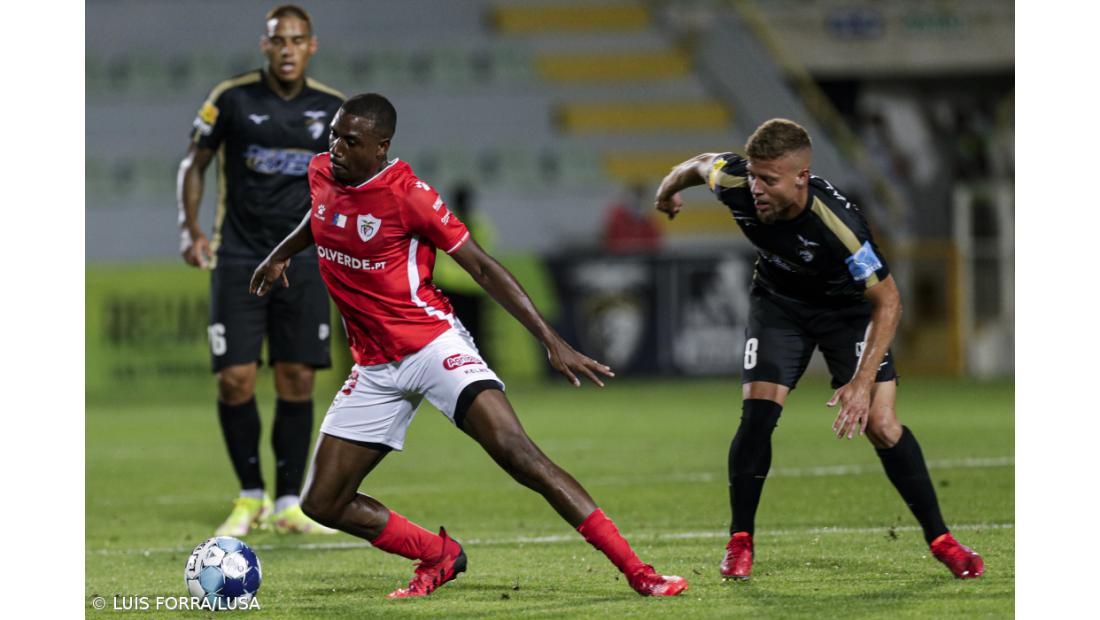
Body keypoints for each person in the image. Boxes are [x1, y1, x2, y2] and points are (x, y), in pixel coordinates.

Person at [249, 93, 688, 599]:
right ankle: (438, 555)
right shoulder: (323, 171)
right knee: (322, 502)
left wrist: (551, 339)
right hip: (374, 366)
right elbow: (323, 215)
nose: (337, 147)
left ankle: (639, 571)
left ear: (381, 147)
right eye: (333, 135)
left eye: (351, 140)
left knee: (519, 454)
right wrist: (281, 254)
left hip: (432, 345)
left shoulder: (408, 194)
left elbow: (480, 265)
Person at [654, 118, 984, 581]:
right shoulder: (735, 182)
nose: (756, 189)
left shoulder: (841, 228)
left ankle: (942, 540)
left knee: (883, 425)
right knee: (758, 415)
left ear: (800, 177)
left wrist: (861, 382)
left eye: (768, 180)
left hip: (845, 314)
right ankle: (740, 540)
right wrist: (666, 192)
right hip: (779, 306)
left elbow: (888, 300)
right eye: (753, 176)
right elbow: (697, 164)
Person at [176, 4, 344, 536]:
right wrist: (190, 228)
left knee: (296, 379)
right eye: (279, 40)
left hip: (305, 260)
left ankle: (289, 502)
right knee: (235, 379)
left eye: (298, 39)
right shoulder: (232, 99)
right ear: (265, 46)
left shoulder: (334, 110)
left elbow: (356, 187)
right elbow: (193, 163)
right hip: (240, 256)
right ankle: (251, 496)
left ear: (312, 46)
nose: (288, 48)